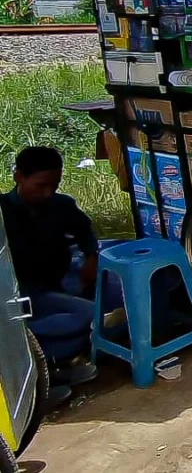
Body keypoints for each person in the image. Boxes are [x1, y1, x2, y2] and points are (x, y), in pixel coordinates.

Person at [1, 147, 101, 395]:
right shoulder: (2, 213)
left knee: (114, 309)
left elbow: (85, 230)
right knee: (91, 316)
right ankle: (27, 349)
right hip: (20, 294)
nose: (47, 193)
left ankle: (40, 357)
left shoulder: (61, 205)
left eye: (54, 186)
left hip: (55, 283)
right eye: (40, 185)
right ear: (18, 177)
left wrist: (91, 257)